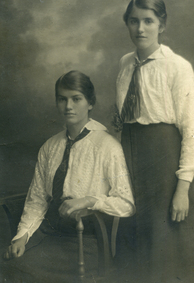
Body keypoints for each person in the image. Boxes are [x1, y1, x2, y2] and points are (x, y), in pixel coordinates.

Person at [114, 0, 194, 282]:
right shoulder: (124, 64)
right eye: (134, 21)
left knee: (166, 253)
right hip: (132, 163)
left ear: (161, 25)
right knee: (133, 250)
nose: (140, 29)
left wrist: (182, 188)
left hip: (166, 169)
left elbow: (193, 130)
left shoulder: (177, 66)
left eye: (148, 21)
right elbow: (122, 118)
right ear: (127, 24)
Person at [4, 70, 135, 260]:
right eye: (62, 99)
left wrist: (90, 200)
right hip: (47, 233)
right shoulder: (50, 147)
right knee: (8, 264)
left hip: (83, 240)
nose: (68, 106)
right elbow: (37, 199)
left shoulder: (108, 146)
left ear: (90, 103)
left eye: (76, 99)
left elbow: (127, 204)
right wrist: (21, 237)